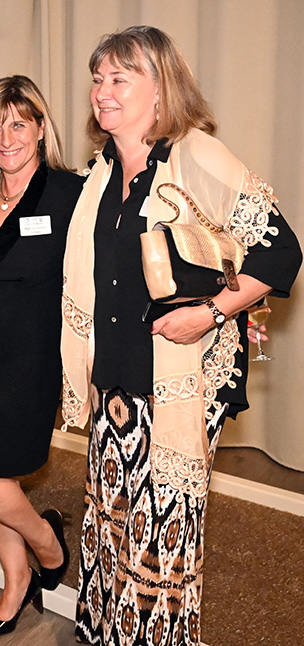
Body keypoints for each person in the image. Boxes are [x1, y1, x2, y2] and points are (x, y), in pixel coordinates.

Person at [61, 27, 301, 646]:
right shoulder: (100, 171)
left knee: (161, 539)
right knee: (112, 524)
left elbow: (281, 253)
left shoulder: (197, 156)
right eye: (98, 79)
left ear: (160, 89)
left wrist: (212, 313)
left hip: (181, 382)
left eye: (120, 79)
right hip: (114, 383)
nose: (103, 91)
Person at [0, 76, 84, 637]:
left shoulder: (72, 194)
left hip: (28, 360)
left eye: (19, 124)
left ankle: (48, 544)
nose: (6, 139)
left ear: (41, 128)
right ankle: (16, 578)